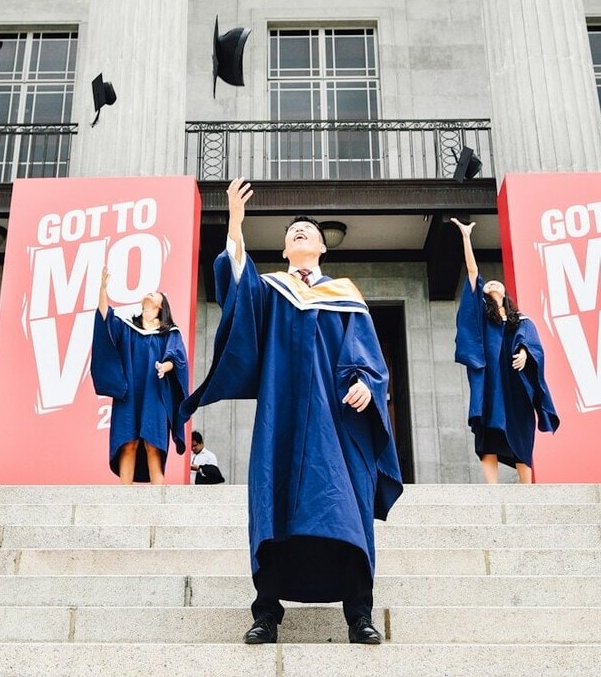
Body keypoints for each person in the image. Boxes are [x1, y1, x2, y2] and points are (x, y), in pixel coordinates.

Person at [180, 177, 403, 646]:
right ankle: (266, 615)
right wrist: (235, 226)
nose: (299, 231)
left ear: (323, 247)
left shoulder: (345, 294)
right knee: (273, 507)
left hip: (335, 423)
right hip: (280, 417)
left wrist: (366, 381)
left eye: (308, 230)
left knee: (345, 509)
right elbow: (237, 298)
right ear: (284, 250)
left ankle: (359, 615)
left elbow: (368, 356)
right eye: (292, 230)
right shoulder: (270, 290)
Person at [449, 218, 558, 484]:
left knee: (520, 427)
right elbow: (473, 273)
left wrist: (524, 353)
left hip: (514, 381)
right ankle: (492, 491)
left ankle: (527, 488)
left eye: (498, 283)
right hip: (489, 380)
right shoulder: (482, 318)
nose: (493, 284)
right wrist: (466, 238)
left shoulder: (520, 319)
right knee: (488, 431)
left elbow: (532, 344)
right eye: (489, 285)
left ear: (506, 291)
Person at [91, 266, 189, 484]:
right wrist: (103, 289)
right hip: (129, 392)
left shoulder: (169, 332)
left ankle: (157, 498)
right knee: (128, 442)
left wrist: (165, 367)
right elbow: (105, 320)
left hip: (155, 392)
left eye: (154, 294)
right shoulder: (127, 328)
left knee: (152, 443)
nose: (149, 293)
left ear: (161, 305)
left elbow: (177, 358)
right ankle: (124, 497)